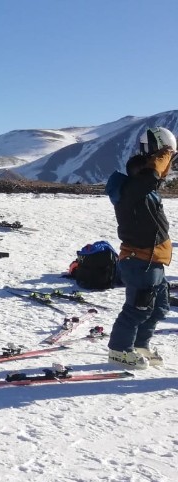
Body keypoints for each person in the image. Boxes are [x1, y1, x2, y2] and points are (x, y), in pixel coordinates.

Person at [104, 126, 176, 369]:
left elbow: (153, 178)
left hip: (153, 259)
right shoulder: (132, 190)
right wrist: (165, 152)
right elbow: (150, 176)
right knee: (138, 308)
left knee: (158, 308)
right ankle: (118, 350)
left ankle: (138, 344)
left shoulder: (145, 191)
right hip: (139, 260)